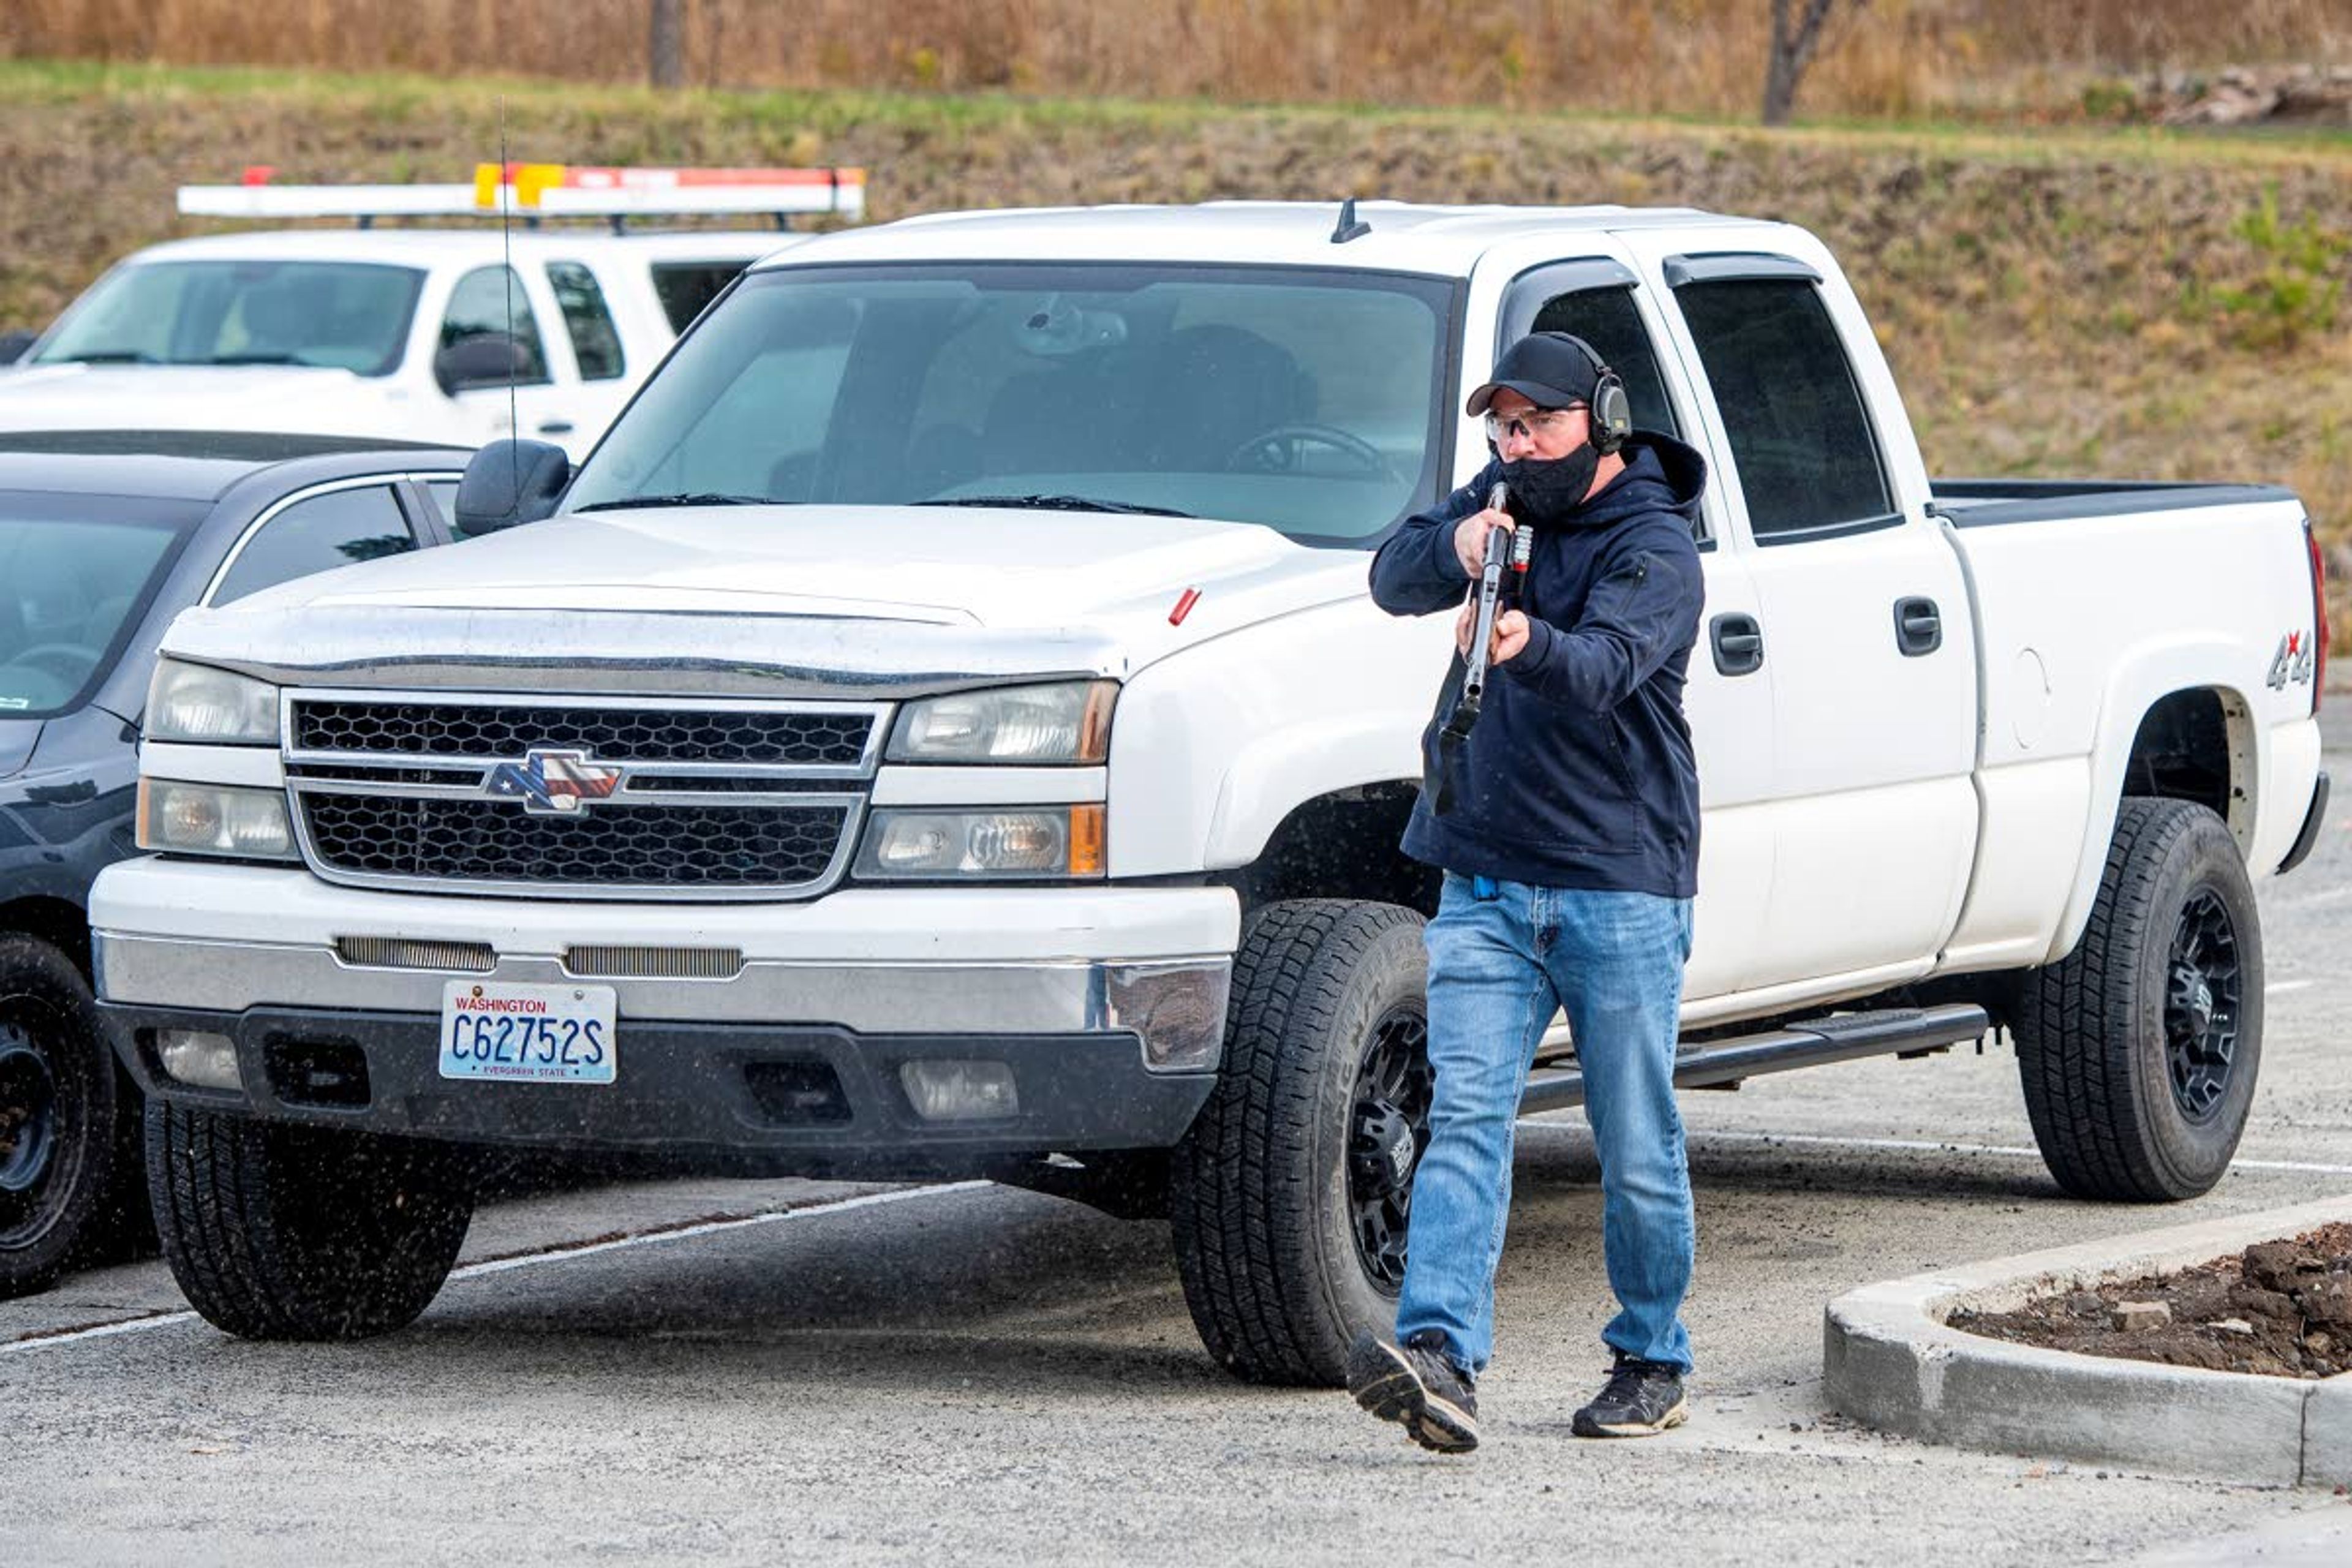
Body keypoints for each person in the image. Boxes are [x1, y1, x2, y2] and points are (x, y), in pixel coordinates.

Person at [1347, 330, 1708, 1453]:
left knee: (1635, 1138)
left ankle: (1652, 1354)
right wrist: (1458, 543)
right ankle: (1444, 1357)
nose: (1516, 445)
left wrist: (1519, 640)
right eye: (1501, 426)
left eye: (1538, 424)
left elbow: (1603, 667)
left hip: (1618, 885)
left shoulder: (1656, 545)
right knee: (1463, 1120)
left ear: (1598, 420)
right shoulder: (1500, 496)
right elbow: (1389, 574)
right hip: (1486, 880)